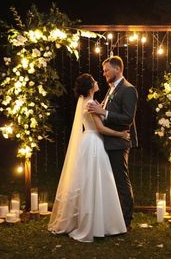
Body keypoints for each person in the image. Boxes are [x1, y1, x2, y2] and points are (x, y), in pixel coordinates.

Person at [48, 73, 130, 242]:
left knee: (87, 182)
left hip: (87, 142)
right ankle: (99, 223)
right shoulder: (90, 103)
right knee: (97, 181)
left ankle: (90, 219)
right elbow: (100, 128)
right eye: (94, 81)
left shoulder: (86, 102)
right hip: (94, 142)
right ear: (90, 86)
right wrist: (120, 134)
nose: (97, 81)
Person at [87, 56, 138, 230]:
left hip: (119, 142)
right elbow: (105, 112)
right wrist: (99, 110)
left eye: (106, 70)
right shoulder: (111, 89)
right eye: (103, 71)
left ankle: (126, 221)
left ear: (117, 69)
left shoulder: (128, 89)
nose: (104, 73)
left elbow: (128, 118)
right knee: (112, 182)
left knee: (121, 182)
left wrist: (104, 112)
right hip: (109, 141)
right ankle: (114, 217)